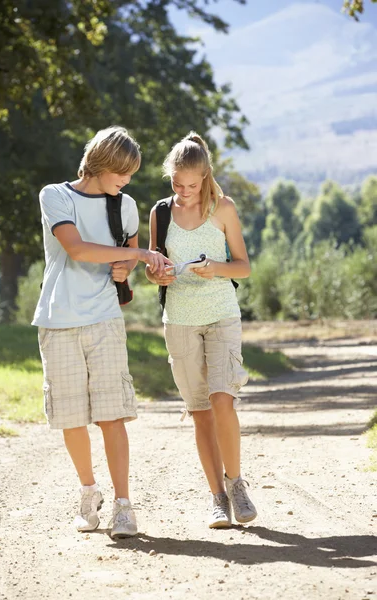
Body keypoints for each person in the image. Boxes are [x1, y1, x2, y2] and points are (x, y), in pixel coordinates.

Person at [32, 126, 169, 538]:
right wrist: (137, 253)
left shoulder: (125, 205)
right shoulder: (55, 195)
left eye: (130, 174)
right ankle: (88, 492)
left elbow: (123, 264)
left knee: (112, 415)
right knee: (72, 417)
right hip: (58, 320)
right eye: (121, 172)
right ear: (100, 163)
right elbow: (77, 248)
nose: (126, 181)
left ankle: (123, 506)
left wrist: (129, 266)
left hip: (105, 319)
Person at [146, 132, 257, 528]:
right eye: (177, 184)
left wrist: (216, 268)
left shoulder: (223, 208)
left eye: (192, 185)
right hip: (179, 321)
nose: (185, 191)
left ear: (206, 176)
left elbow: (243, 266)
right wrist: (155, 274)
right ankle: (216, 498)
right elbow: (154, 265)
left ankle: (236, 483)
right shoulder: (160, 212)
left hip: (221, 314)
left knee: (222, 399)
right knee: (200, 412)